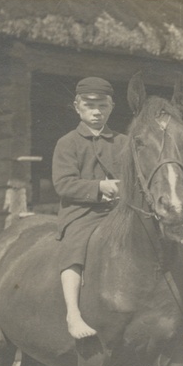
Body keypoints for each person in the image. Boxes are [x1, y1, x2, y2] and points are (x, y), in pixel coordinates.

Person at [53, 76, 127, 339]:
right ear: (77, 107)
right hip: (82, 213)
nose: (96, 112)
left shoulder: (124, 143)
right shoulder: (68, 143)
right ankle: (73, 313)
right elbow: (64, 185)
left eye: (103, 106)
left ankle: (176, 310)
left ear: (111, 107)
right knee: (76, 245)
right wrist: (99, 188)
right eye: (90, 105)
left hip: (120, 212)